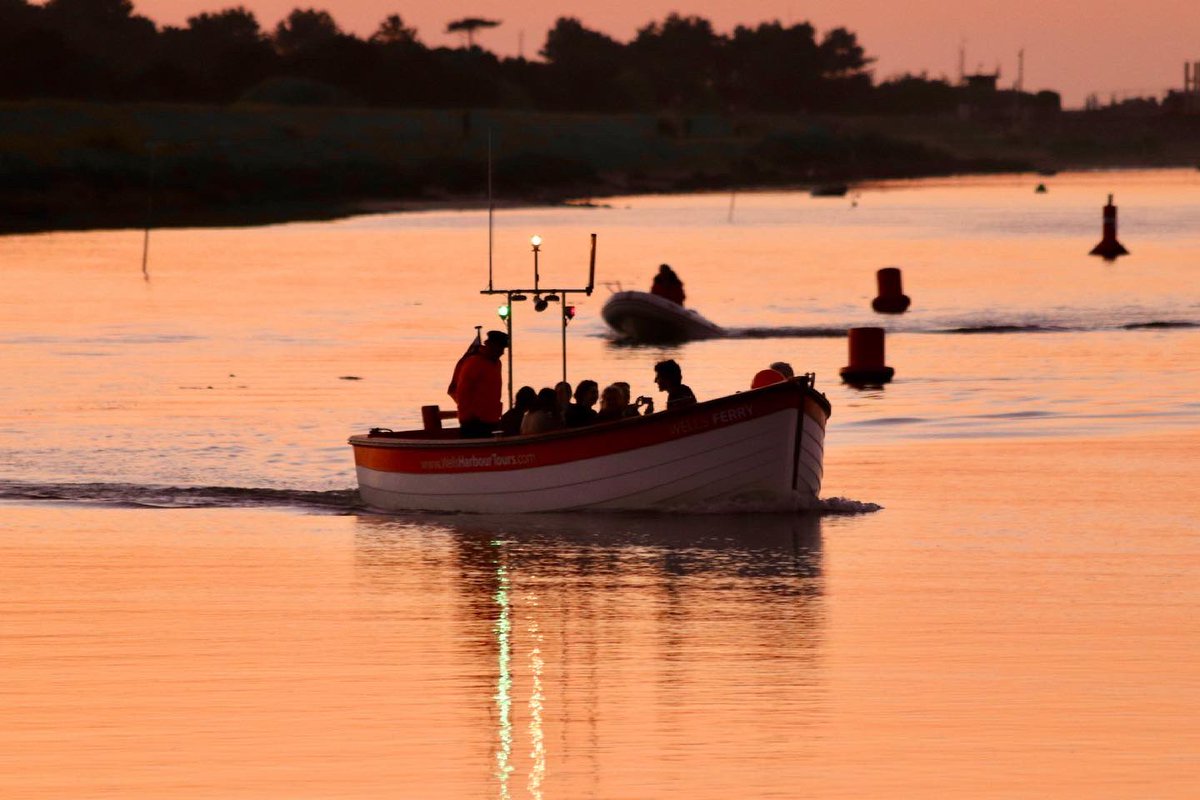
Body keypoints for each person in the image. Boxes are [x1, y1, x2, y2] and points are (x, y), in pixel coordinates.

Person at [452, 330, 508, 438]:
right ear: (490, 345)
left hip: (491, 419)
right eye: (500, 348)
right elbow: (462, 393)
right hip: (474, 422)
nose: (502, 352)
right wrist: (469, 417)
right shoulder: (473, 362)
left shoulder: (497, 363)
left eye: (503, 348)